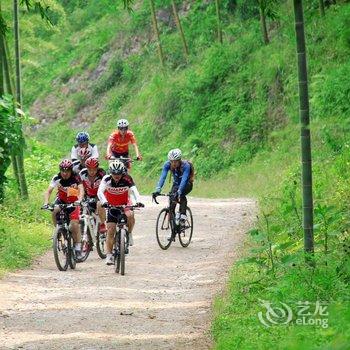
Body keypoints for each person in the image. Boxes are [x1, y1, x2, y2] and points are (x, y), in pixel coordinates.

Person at [97, 160, 144, 265]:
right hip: (111, 205)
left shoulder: (127, 178)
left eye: (119, 173)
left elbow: (134, 190)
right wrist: (104, 202)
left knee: (130, 215)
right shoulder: (106, 179)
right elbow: (100, 191)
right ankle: (109, 256)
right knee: (111, 230)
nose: (116, 176)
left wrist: (139, 201)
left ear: (122, 172)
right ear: (111, 172)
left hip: (124, 204)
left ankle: (130, 233)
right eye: (114, 173)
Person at [42, 159, 84, 259]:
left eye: (67, 171)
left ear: (71, 170)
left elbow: (81, 190)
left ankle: (78, 248)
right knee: (54, 210)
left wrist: (80, 200)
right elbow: (48, 191)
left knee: (74, 225)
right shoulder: (57, 177)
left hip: (74, 201)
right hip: (61, 199)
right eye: (63, 171)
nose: (64, 173)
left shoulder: (76, 177)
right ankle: (58, 230)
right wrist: (46, 203)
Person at [152, 149, 194, 224]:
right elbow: (163, 177)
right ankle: (174, 231)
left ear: (179, 160)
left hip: (187, 184)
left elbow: (184, 180)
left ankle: (183, 215)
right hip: (176, 184)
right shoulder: (167, 164)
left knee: (181, 195)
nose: (173, 163)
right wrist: (158, 189)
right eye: (171, 161)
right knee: (171, 205)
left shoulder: (185, 166)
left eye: (175, 161)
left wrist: (179, 192)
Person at [78, 157, 107, 233]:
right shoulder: (82, 174)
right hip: (87, 195)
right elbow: (78, 187)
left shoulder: (102, 174)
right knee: (81, 210)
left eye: (94, 169)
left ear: (97, 168)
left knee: (99, 205)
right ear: (86, 168)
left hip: (99, 195)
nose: (92, 172)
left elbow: (107, 187)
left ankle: (102, 224)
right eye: (89, 169)